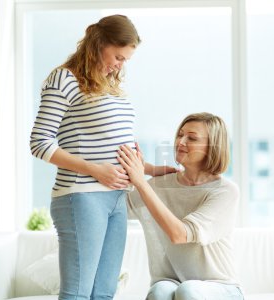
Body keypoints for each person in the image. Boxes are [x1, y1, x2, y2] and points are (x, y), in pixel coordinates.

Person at [29, 15, 172, 300]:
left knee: (105, 293)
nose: (120, 65)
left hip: (118, 198)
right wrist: (95, 170)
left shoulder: (110, 86)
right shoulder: (65, 78)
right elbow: (39, 142)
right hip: (82, 196)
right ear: (98, 44)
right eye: (118, 56)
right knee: (78, 293)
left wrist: (151, 169)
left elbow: (110, 144)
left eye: (126, 60)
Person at [117, 112, 244, 300]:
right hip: (172, 283)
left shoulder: (225, 191)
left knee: (189, 291)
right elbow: (114, 208)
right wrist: (136, 170)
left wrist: (141, 183)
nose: (181, 141)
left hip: (221, 288)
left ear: (212, 148)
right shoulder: (159, 185)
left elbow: (180, 234)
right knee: (160, 292)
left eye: (191, 138)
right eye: (180, 134)